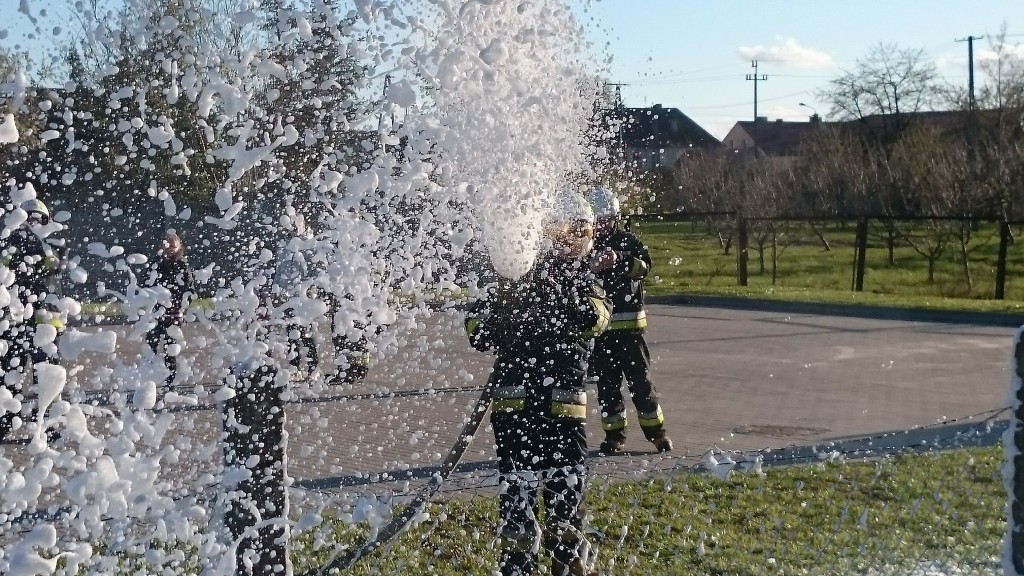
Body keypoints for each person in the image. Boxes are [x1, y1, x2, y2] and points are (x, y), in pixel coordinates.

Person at [465, 192, 610, 576]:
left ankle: (546, 562)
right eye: (571, 232)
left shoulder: (556, 276)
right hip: (540, 404)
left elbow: (596, 320)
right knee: (542, 485)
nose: (575, 240)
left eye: (580, 232)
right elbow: (477, 331)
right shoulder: (525, 275)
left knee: (538, 484)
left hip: (535, 404)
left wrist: (549, 295)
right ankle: (540, 562)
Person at [586, 186, 672, 454]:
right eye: (596, 220)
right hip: (601, 334)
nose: (601, 225)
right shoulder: (586, 246)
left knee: (641, 385)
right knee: (607, 388)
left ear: (614, 217)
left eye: (605, 219)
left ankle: (657, 435)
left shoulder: (628, 242)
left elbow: (644, 268)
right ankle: (614, 437)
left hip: (631, 333)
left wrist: (620, 259)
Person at [0, 196, 65, 443]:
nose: (35, 224)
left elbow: (55, 266)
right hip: (16, 320)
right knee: (10, 375)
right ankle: (5, 422)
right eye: (30, 219)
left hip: (44, 323)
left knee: (46, 378)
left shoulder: (52, 244)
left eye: (41, 219)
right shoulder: (11, 242)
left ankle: (47, 427)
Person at [144, 231, 197, 393]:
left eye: (174, 246)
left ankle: (169, 383)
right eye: (167, 245)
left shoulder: (182, 266)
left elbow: (190, 291)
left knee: (169, 350)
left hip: (173, 315)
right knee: (150, 347)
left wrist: (181, 300)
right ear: (162, 246)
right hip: (155, 314)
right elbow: (146, 284)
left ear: (180, 246)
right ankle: (148, 382)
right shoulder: (156, 263)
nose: (170, 249)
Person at [272, 212, 319, 379]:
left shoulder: (309, 244)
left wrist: (312, 291)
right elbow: (280, 270)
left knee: (306, 333)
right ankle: (295, 367)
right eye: (290, 224)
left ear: (303, 225)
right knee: (291, 332)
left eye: (296, 224)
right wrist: (276, 290)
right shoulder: (285, 245)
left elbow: (315, 270)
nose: (292, 228)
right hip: (287, 296)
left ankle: (313, 368)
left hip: (303, 297)